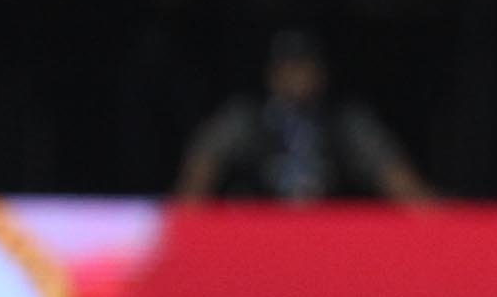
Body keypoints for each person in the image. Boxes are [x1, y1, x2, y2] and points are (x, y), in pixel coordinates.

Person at [175, 30, 433, 203]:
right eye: (288, 68)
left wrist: (434, 218)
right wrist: (186, 224)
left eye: (304, 67)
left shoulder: (343, 120)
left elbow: (392, 173)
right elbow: (202, 163)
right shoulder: (247, 117)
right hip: (259, 229)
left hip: (324, 232)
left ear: (321, 73)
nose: (297, 77)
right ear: (272, 75)